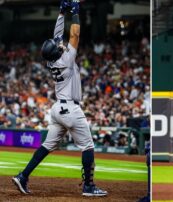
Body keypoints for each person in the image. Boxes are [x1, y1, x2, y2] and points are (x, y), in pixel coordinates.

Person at [12, 0, 107, 197]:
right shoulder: (66, 59)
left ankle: (23, 176)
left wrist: (62, 13)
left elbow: (57, 36)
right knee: (88, 146)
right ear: (57, 51)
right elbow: (74, 34)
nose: (59, 42)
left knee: (48, 145)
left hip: (58, 109)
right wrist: (75, 13)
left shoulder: (52, 60)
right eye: (58, 45)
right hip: (71, 110)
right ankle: (88, 186)